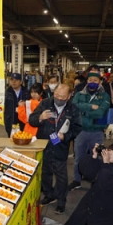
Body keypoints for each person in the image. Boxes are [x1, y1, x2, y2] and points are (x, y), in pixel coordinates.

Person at [29, 84, 82, 214]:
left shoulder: (73, 109)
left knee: (61, 176)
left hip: (60, 146)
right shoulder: (45, 103)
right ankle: (48, 194)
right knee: (45, 173)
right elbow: (32, 120)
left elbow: (77, 128)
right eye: (56, 95)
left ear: (69, 96)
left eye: (62, 97)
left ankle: (61, 200)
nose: (58, 98)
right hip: (44, 144)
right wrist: (40, 117)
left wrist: (65, 136)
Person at [68, 71, 110, 191]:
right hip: (81, 131)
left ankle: (96, 180)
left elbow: (101, 112)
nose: (92, 82)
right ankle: (76, 180)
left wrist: (83, 111)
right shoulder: (79, 94)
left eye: (95, 81)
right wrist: (90, 107)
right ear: (87, 81)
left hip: (97, 133)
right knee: (78, 158)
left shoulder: (104, 96)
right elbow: (74, 106)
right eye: (90, 80)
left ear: (100, 82)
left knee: (97, 158)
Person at [4, 73, 29, 137]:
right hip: (11, 121)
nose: (14, 82)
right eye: (12, 80)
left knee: (23, 139)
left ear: (21, 82)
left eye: (16, 80)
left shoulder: (27, 92)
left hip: (23, 122)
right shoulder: (7, 93)